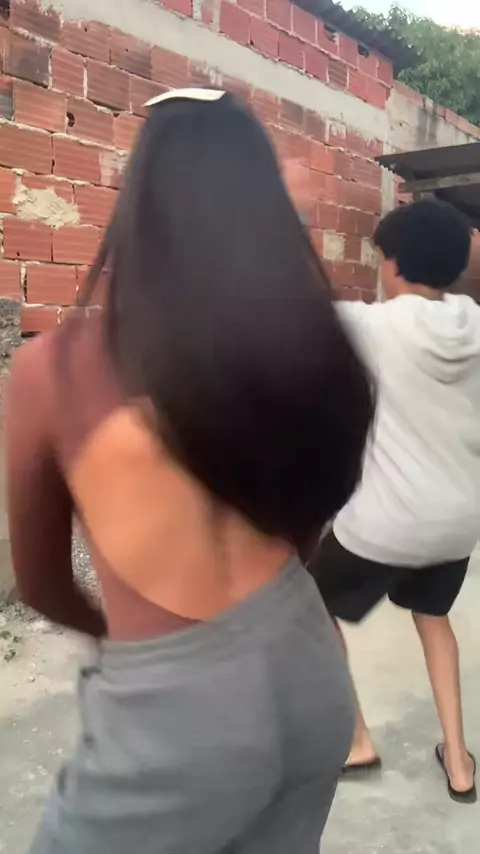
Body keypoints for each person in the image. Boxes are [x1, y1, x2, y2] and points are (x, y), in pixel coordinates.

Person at [6, 89, 374, 854]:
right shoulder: (299, 350)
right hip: (308, 667)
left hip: (177, 724)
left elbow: (41, 584)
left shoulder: (56, 369)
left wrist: (126, 645)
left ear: (138, 202)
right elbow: (310, 520)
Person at [309, 199, 479, 804]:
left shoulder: (373, 326)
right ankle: (459, 762)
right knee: (433, 619)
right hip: (460, 521)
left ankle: (357, 740)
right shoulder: (475, 323)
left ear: (396, 264)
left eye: (381, 257)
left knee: (309, 603)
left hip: (387, 524)